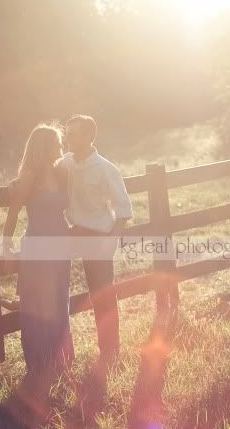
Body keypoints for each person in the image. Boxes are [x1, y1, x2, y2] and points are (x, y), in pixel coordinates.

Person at [1, 124, 74, 386]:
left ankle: (61, 360)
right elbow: (13, 213)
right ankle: (39, 363)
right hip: (37, 245)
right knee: (37, 303)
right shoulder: (29, 176)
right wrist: (6, 244)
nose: (61, 147)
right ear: (45, 146)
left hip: (61, 243)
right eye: (56, 143)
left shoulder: (61, 172)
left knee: (58, 300)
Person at [58, 114, 132, 369]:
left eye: (74, 133)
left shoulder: (105, 168)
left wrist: (110, 241)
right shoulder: (66, 162)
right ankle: (58, 354)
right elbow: (43, 172)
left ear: (89, 137)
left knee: (101, 295)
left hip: (97, 235)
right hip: (70, 232)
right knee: (56, 290)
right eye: (67, 133)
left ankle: (110, 351)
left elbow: (123, 209)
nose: (68, 137)